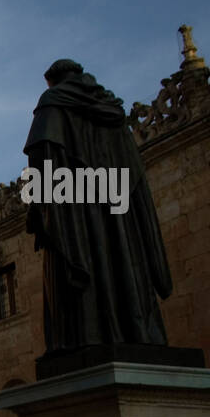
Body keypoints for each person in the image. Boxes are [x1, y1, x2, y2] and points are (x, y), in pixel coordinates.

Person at [23, 58, 173, 354]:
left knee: (83, 277)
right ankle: (136, 331)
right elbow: (133, 174)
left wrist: (40, 208)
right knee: (121, 267)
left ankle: (85, 340)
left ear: (53, 81)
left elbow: (42, 154)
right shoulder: (113, 113)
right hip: (118, 214)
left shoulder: (54, 101)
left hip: (75, 212)